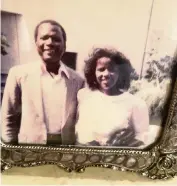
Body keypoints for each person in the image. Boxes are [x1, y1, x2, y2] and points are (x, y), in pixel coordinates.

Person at [1, 19, 84, 145]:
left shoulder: (78, 80)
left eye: (56, 39)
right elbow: (8, 117)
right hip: (29, 152)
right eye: (44, 37)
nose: (49, 43)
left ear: (64, 45)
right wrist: (11, 152)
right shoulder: (18, 74)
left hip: (66, 152)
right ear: (36, 43)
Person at [75, 48, 149, 148]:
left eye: (112, 69)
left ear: (121, 73)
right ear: (93, 72)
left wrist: (119, 146)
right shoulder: (83, 96)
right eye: (101, 69)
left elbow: (142, 138)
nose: (106, 74)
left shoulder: (136, 104)